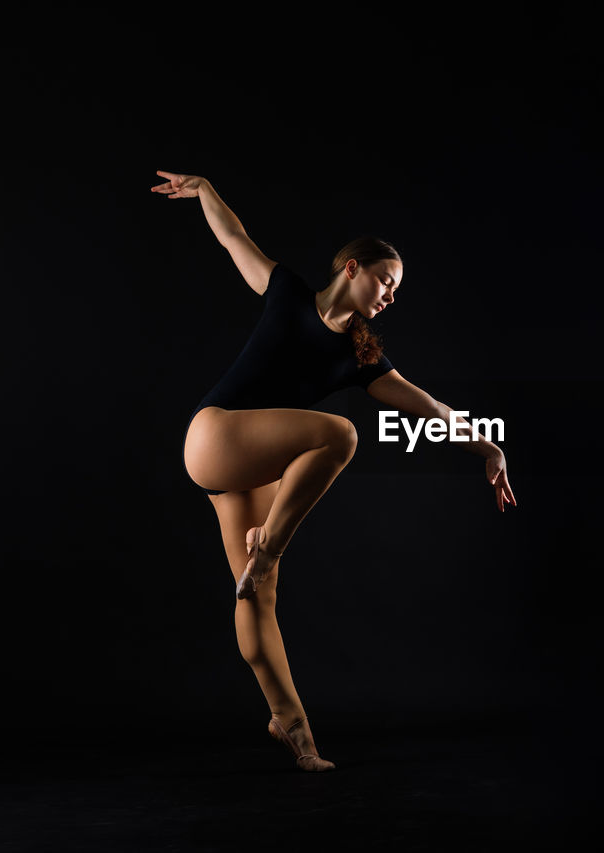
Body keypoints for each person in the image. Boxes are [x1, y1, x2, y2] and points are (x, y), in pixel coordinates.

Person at [153, 170, 518, 771]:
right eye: (386, 281)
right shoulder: (287, 293)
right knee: (340, 433)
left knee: (256, 600)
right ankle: (268, 548)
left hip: (249, 476)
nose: (391, 296)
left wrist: (490, 451)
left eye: (397, 290)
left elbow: (434, 410)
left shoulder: (363, 357)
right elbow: (233, 238)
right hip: (213, 435)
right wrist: (206, 190)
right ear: (352, 268)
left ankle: (294, 731)